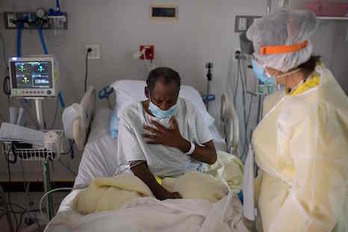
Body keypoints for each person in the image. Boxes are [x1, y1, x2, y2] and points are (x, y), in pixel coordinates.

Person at [247, 9, 348, 232]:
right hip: (277, 207)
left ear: (277, 58)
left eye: (258, 57)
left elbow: (315, 207)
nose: (257, 63)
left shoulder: (316, 113)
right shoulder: (300, 88)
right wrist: (253, 192)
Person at [116, 67, 217, 200]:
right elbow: (137, 166)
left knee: (206, 199)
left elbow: (211, 157)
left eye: (170, 101)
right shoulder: (131, 116)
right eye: (158, 101)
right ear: (147, 92)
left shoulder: (189, 110)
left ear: (178, 94)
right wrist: (163, 194)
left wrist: (182, 144)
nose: (164, 107)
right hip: (142, 179)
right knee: (127, 204)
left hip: (182, 177)